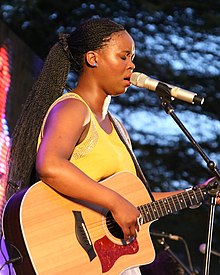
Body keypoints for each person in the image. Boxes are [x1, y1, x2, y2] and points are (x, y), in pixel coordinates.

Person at [4, 17, 219, 275]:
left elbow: (137, 204)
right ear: (93, 59)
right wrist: (115, 202)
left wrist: (196, 194)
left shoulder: (117, 127)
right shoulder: (73, 108)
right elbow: (50, 165)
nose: (132, 64)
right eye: (124, 56)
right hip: (73, 254)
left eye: (133, 57)